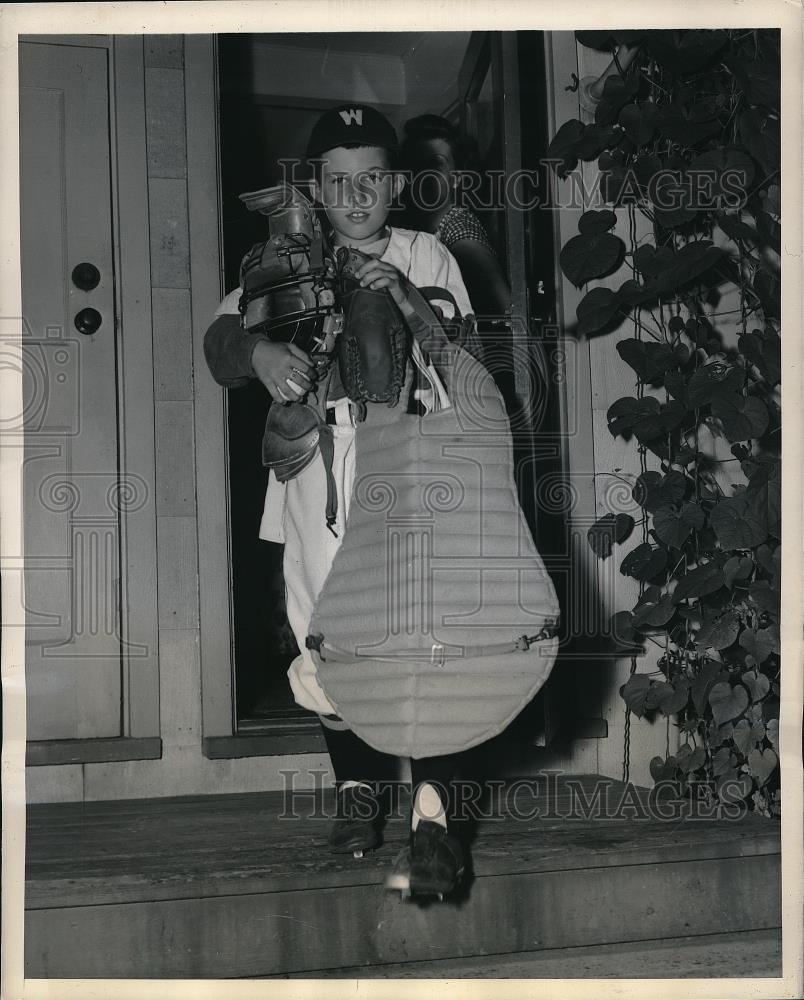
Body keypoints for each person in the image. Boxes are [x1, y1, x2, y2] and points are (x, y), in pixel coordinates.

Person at [204, 103, 560, 901]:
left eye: (372, 180)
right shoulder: (285, 256)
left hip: (416, 465)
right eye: (339, 181)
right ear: (316, 186)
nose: (356, 197)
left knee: (429, 624)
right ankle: (358, 790)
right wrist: (258, 349)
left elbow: (468, 359)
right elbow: (219, 341)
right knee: (325, 626)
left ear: (395, 184)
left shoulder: (426, 251)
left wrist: (404, 292)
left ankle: (432, 815)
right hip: (318, 466)